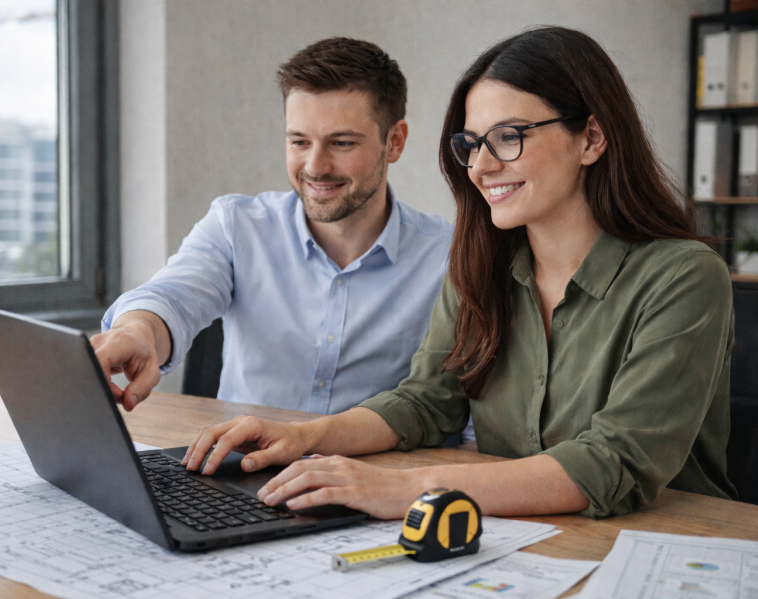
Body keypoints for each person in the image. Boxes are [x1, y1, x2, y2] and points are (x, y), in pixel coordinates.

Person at [182, 26, 737, 521]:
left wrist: (408, 490)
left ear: (591, 137)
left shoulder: (684, 277)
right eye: (472, 143)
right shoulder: (479, 263)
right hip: (523, 541)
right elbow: (426, 401)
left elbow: (613, 462)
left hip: (666, 548)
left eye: (509, 136)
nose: (481, 165)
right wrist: (303, 437)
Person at [92, 38, 467, 436]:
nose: (315, 166)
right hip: (237, 469)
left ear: (394, 141)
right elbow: (173, 295)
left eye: (341, 143)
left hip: (368, 480)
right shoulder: (237, 225)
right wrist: (138, 332)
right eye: (299, 141)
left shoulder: (448, 256)